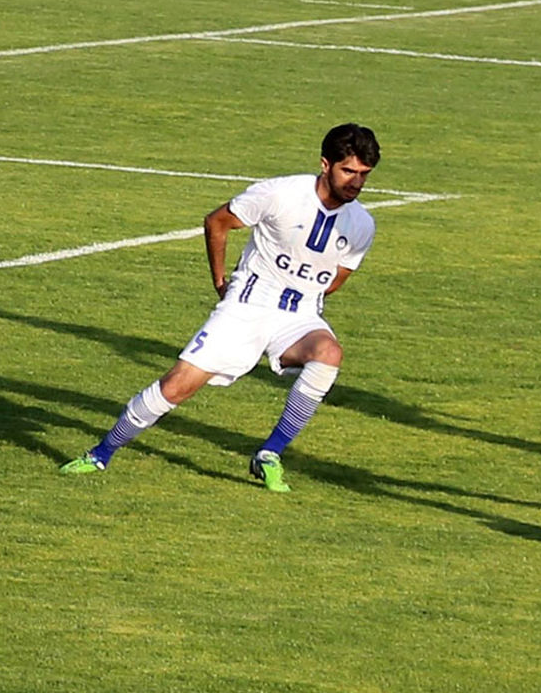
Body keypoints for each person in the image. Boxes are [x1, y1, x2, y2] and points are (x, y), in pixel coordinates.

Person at [60, 123, 381, 492]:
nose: (356, 182)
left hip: (299, 315)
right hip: (246, 307)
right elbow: (217, 222)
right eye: (349, 171)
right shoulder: (279, 194)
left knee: (329, 353)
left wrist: (302, 291)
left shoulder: (362, 225)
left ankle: (270, 453)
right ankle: (102, 453)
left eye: (364, 175)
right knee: (177, 387)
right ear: (325, 164)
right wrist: (220, 282)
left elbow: (338, 278)